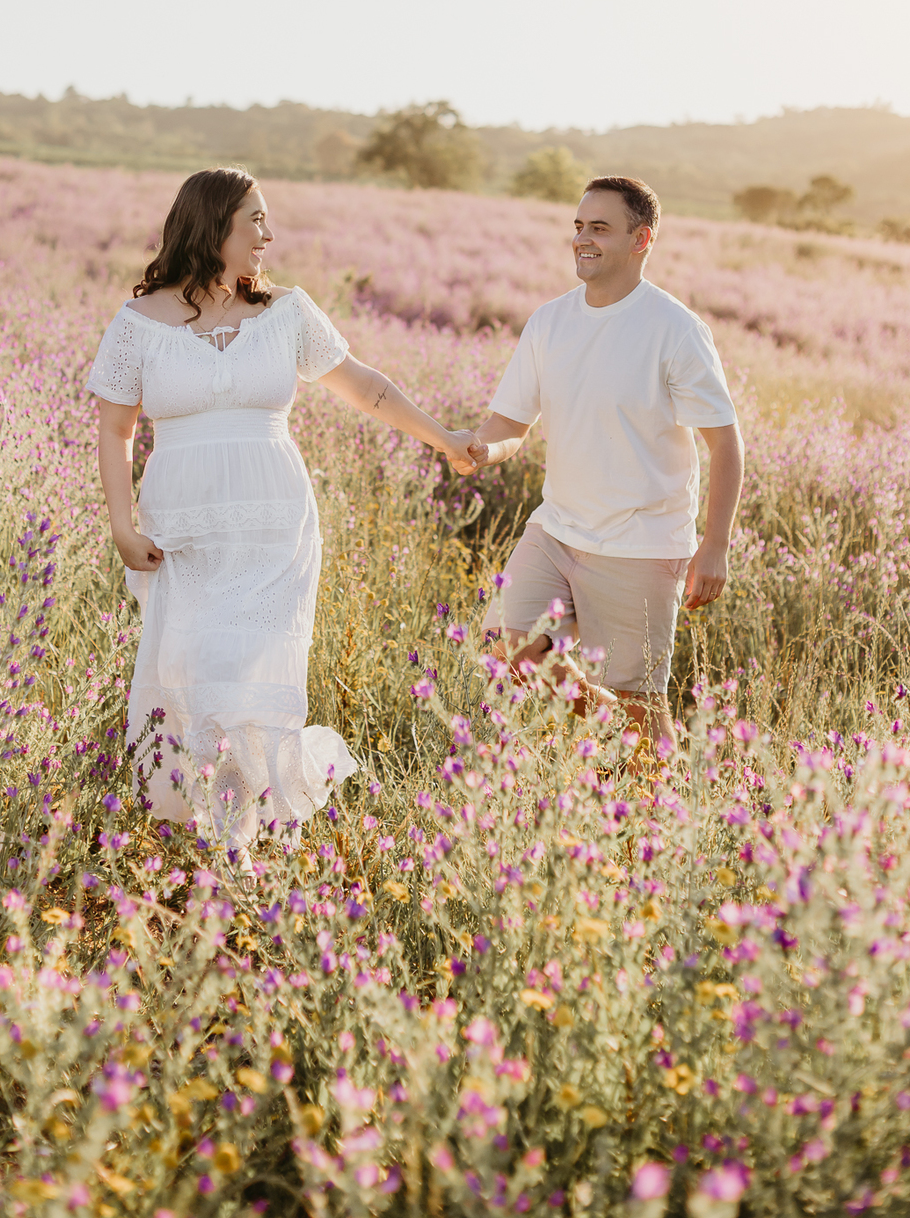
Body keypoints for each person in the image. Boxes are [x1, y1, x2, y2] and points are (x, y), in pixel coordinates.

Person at [87, 166, 480, 857]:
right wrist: (122, 525)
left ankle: (234, 850)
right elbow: (116, 428)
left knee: (249, 680)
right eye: (256, 220)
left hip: (275, 531)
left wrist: (443, 438)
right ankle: (218, 829)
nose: (268, 235)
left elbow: (366, 387)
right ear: (214, 225)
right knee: (196, 676)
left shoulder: (287, 313)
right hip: (184, 533)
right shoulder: (138, 323)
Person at [467, 175, 743, 752]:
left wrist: (715, 543)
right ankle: (610, 723)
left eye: (599, 228)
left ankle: (653, 785)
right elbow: (509, 425)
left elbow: (725, 443)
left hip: (640, 541)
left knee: (642, 705)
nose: (582, 239)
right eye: (578, 226)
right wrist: (479, 450)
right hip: (556, 528)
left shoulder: (675, 329)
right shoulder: (549, 321)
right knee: (508, 646)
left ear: (641, 240)